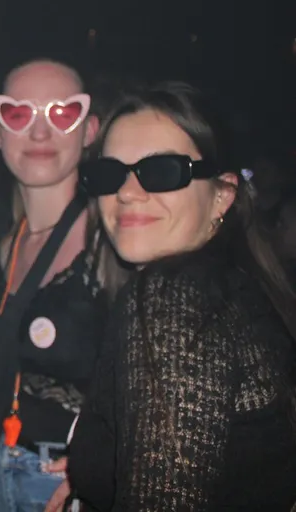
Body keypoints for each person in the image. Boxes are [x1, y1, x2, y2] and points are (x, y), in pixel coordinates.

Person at [48, 82, 296, 512]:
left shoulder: (172, 298)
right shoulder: (234, 289)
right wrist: (100, 466)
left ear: (223, 194)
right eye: (110, 174)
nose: (126, 192)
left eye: (162, 171)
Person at [0, 58, 116, 512]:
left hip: (61, 486)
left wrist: (106, 459)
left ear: (89, 130)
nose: (39, 132)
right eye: (19, 114)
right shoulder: (10, 243)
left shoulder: (112, 240)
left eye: (62, 114)